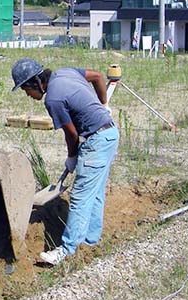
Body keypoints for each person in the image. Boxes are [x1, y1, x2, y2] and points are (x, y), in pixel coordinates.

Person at [11, 58, 119, 265]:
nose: (28, 95)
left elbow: (71, 134)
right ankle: (90, 241)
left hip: (96, 141)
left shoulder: (53, 99)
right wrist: (103, 104)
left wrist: (71, 157)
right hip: (110, 134)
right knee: (95, 193)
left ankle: (67, 250)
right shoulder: (66, 71)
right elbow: (97, 76)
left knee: (79, 196)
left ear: (35, 83)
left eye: (26, 90)